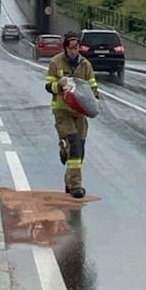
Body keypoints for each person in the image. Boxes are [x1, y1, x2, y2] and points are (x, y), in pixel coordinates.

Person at [44, 30, 99, 198]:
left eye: (77, 47)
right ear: (65, 47)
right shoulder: (56, 62)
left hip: (79, 112)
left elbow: (92, 86)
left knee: (79, 149)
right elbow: (48, 86)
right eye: (72, 47)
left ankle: (68, 170)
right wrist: (59, 85)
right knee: (74, 144)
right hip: (62, 110)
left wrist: (94, 98)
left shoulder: (85, 64)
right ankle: (76, 185)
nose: (75, 51)